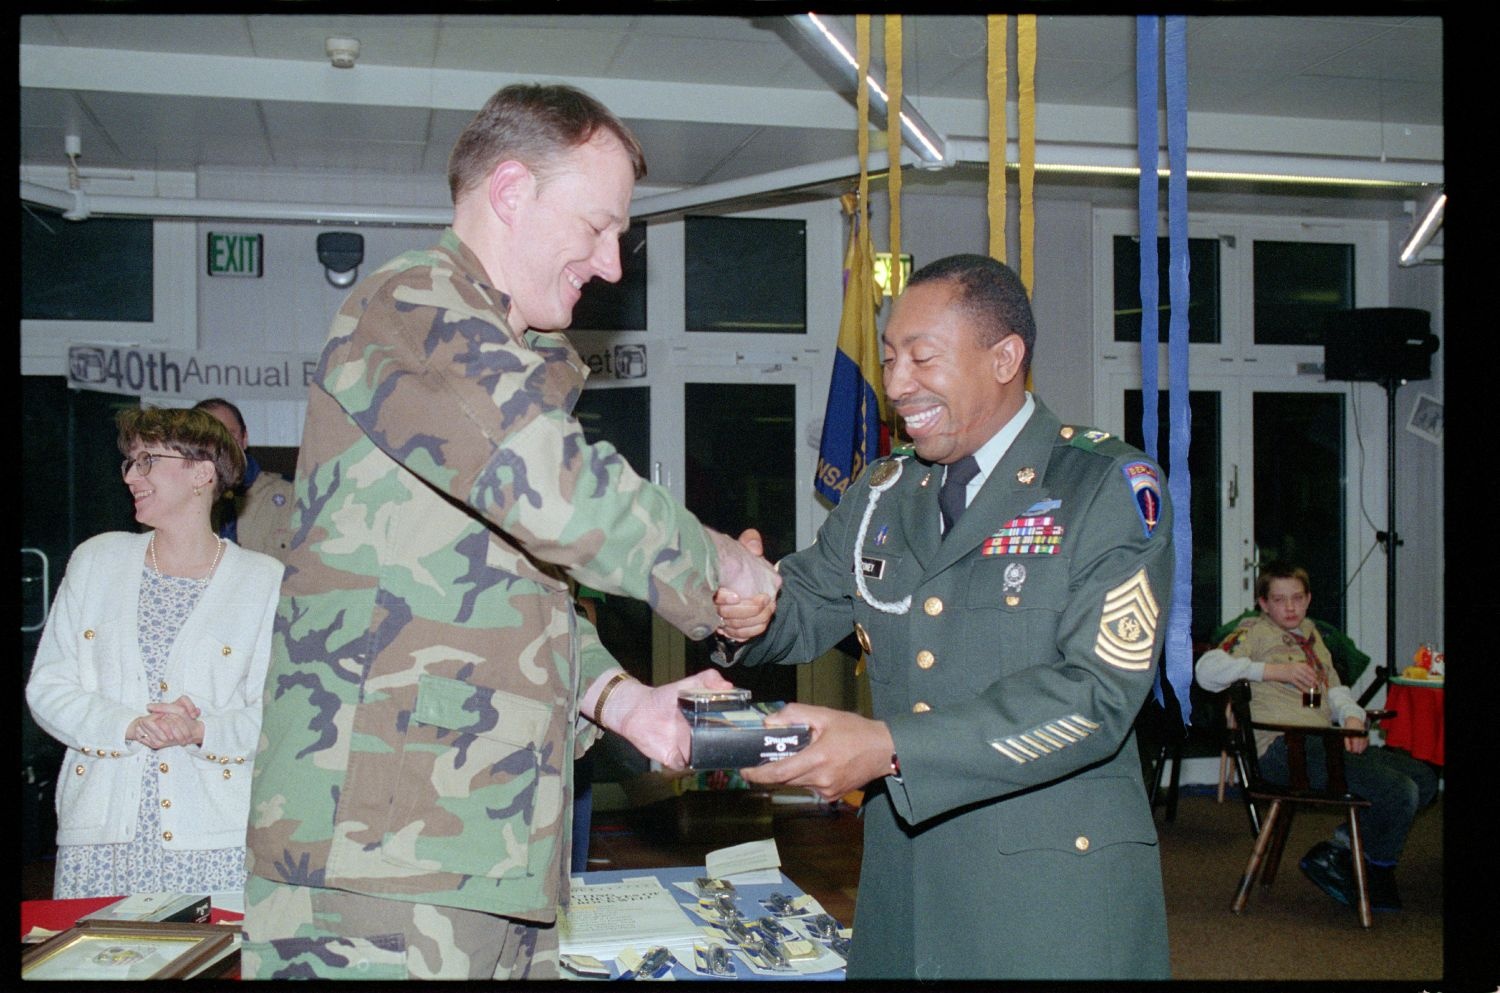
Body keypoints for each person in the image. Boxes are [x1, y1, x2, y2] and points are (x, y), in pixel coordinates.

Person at [241, 82, 778, 981]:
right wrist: (717, 567)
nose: (611, 264)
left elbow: (506, 598)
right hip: (379, 866)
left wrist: (624, 702)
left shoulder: (497, 357)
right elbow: (560, 493)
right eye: (598, 227)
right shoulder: (413, 305)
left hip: (478, 847)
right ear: (511, 191)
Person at [714, 253, 1175, 980]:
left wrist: (891, 746)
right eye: (890, 357)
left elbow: (1097, 696)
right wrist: (737, 599)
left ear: (1004, 357)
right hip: (907, 880)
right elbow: (799, 603)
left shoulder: (1103, 486)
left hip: (1049, 895)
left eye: (921, 358)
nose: (896, 385)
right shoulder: (883, 491)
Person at [26, 407, 283, 898]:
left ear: (203, 473)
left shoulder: (262, 579)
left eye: (146, 460)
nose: (130, 475)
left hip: (214, 839)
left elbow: (276, 714)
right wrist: (127, 723)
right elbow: (49, 687)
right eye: (129, 462)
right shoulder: (96, 560)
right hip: (99, 839)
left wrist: (201, 730)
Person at [1196, 563, 1438, 911]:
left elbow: (1336, 691)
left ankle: (1341, 852)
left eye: (1297, 598)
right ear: (1264, 604)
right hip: (1283, 750)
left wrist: (1354, 719)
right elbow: (1206, 672)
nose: (1290, 607)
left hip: (1320, 741)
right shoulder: (1253, 632)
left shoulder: (1312, 636)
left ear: (1308, 599)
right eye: (1279, 600)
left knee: (1423, 778)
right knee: (1398, 791)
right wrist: (1272, 670)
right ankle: (1371, 871)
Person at [193, 397, 296, 562]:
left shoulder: (292, 496)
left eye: (228, 434)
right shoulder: (180, 503)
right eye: (207, 438)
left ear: (245, 438)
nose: (220, 445)